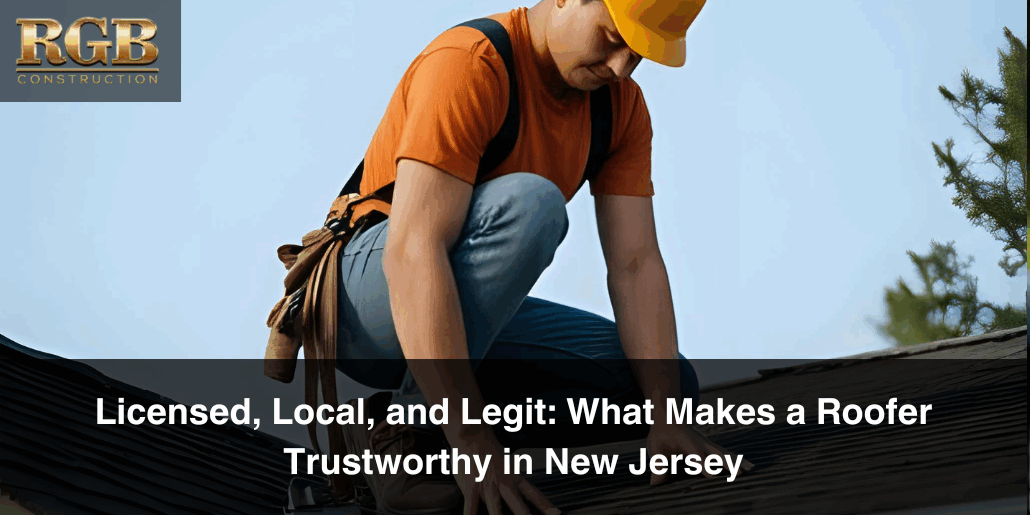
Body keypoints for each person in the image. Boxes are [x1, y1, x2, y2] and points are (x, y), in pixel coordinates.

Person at [333, 1, 749, 513]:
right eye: (613, 38)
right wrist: (473, 442)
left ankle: (381, 421)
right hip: (362, 302)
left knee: (665, 385)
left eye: (638, 55)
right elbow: (412, 252)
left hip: (457, 310)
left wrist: (666, 420)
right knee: (532, 204)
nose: (621, 67)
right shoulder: (470, 62)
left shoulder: (621, 108)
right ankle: (413, 436)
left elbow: (636, 263)